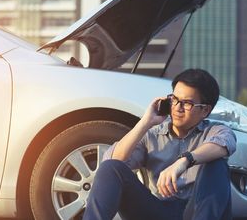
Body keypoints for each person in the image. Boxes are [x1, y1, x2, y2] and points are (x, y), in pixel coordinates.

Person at [83, 68, 237, 220]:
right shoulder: (152, 134)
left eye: (187, 103)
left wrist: (184, 161)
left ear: (205, 110)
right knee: (111, 167)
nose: (177, 108)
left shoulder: (216, 131)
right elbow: (113, 161)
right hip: (157, 211)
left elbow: (224, 144)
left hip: (197, 210)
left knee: (217, 165)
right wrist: (145, 122)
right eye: (174, 99)